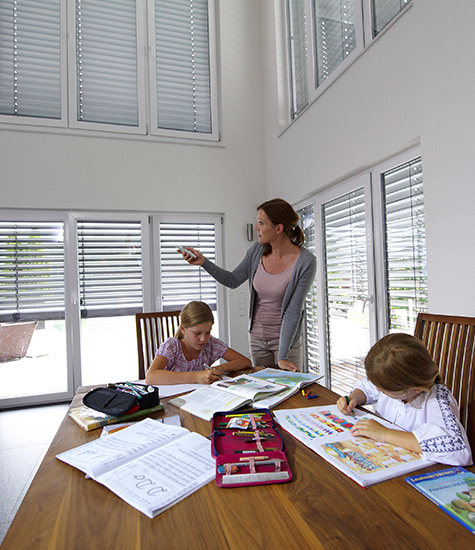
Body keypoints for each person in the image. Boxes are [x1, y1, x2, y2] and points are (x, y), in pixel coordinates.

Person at [178, 198, 317, 372]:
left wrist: (283, 356)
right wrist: (204, 262)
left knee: (290, 393)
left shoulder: (306, 262)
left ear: (278, 228)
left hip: (287, 342)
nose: (255, 227)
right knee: (262, 390)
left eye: (261, 222)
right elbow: (232, 280)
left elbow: (294, 310)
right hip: (257, 339)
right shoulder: (256, 251)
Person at [337, 333, 472, 466]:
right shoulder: (398, 384)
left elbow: (457, 448)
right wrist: (354, 397)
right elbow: (368, 388)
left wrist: (385, 434)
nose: (378, 390)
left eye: (383, 389)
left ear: (416, 389)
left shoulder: (438, 401)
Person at [145, 301, 251, 385]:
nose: (203, 339)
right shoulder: (172, 346)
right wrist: (196, 377)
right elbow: (150, 377)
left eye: (207, 332)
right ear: (183, 328)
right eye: (197, 333)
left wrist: (222, 368)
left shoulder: (211, 344)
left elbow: (245, 362)